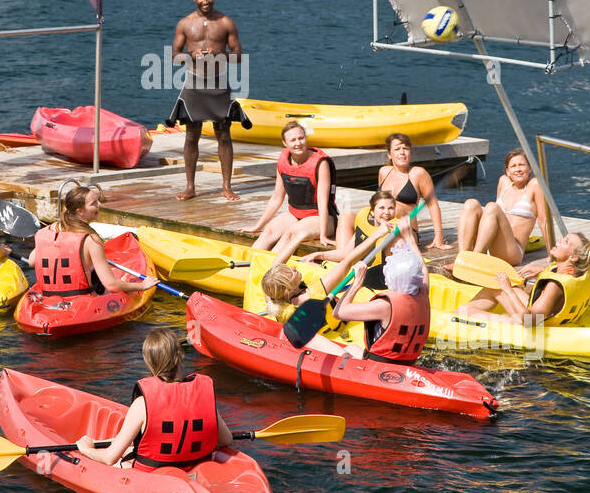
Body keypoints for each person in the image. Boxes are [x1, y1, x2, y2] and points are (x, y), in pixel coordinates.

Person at [75, 327, 234, 470]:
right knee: (130, 449)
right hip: (195, 466)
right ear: (180, 356)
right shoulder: (201, 395)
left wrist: (86, 448)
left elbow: (110, 458)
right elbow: (226, 439)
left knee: (116, 460)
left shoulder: (142, 405)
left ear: (148, 362)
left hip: (152, 474)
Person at [257, 221, 399, 357]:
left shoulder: (275, 301)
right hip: (337, 333)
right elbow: (348, 261)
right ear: (288, 288)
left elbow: (274, 268)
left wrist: (297, 240)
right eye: (291, 272)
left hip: (317, 336)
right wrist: (376, 235)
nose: (293, 267)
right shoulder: (317, 292)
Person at [166, 0, 246, 201]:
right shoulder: (184, 23)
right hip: (194, 84)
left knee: (224, 135)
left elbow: (239, 55)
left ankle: (227, 186)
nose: (205, 1)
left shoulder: (225, 23)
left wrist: (221, 54)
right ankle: (190, 187)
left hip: (219, 84)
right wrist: (189, 55)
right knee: (192, 135)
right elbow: (174, 57)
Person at [29, 184, 158, 297]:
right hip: (81, 300)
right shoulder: (91, 239)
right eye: (94, 203)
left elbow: (32, 262)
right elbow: (111, 285)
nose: (99, 205)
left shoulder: (43, 233)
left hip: (47, 296)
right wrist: (142, 286)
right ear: (80, 211)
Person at [331, 226, 431, 364]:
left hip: (380, 366)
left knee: (345, 349)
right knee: (352, 347)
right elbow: (424, 270)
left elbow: (338, 312)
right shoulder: (423, 292)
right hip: (409, 362)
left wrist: (357, 283)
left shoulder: (385, 306)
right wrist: (410, 239)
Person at [461, 231, 590, 326]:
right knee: (494, 287)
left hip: (530, 327)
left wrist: (508, 289)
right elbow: (566, 280)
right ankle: (460, 313)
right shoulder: (584, 271)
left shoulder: (553, 287)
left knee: (467, 313)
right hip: (549, 318)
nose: (559, 241)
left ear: (572, 257)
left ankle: (455, 318)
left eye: (565, 242)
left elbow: (529, 322)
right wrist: (542, 271)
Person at [247, 121, 339, 252]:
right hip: (295, 214)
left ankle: (270, 270)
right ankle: (247, 266)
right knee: (269, 232)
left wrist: (323, 234)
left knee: (290, 235)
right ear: (285, 143)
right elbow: (276, 198)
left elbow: (323, 203)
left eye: (301, 138)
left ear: (305, 138)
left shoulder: (320, 163)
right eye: (293, 140)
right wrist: (257, 226)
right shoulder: (283, 161)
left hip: (321, 217)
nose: (298, 143)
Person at [456, 147, 548, 267]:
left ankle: (475, 259)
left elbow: (544, 221)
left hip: (512, 252)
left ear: (530, 168)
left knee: (492, 207)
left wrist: (552, 254)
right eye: (513, 166)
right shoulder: (504, 182)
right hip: (492, 246)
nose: (518, 169)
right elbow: (492, 218)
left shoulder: (534, 185)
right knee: (470, 204)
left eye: (521, 165)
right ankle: (462, 257)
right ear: (507, 171)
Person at [296, 190, 399, 289]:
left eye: (391, 208)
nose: (386, 212)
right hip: (352, 270)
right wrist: (318, 255)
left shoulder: (395, 231)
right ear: (372, 211)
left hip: (371, 279)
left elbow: (391, 271)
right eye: (381, 208)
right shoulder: (363, 217)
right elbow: (346, 253)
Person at [376, 132, 448, 249]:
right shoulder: (383, 172)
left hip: (407, 231)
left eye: (406, 148)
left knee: (396, 207)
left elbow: (433, 205)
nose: (402, 152)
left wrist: (438, 237)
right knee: (347, 218)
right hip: (381, 228)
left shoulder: (418, 173)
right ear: (389, 154)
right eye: (397, 149)